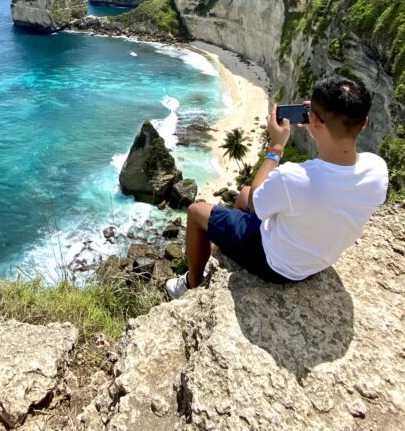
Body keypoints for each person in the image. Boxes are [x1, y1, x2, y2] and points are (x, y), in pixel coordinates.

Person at [165, 76, 388, 299]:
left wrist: (276, 147)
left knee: (196, 211)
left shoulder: (295, 178)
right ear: (365, 122)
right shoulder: (377, 169)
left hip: (278, 265)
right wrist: (319, 120)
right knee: (242, 194)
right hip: (320, 257)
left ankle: (190, 283)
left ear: (315, 121)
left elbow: (256, 201)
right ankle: (224, 248)